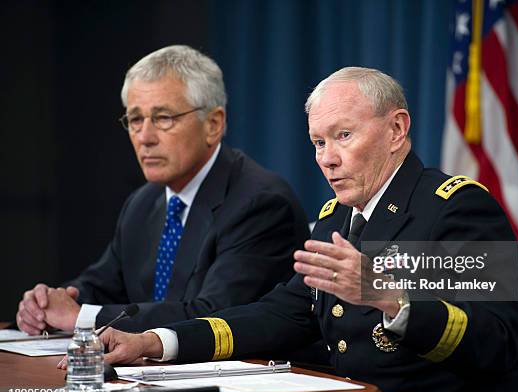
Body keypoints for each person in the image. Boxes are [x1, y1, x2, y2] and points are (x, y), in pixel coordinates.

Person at [78, 67, 518, 392]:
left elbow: (495, 341)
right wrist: (157, 342)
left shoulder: (456, 206)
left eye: (343, 136)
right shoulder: (336, 217)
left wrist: (396, 301)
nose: (327, 159)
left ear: (396, 129)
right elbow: (281, 314)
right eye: (317, 143)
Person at [16, 45, 310, 333]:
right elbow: (100, 286)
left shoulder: (260, 203)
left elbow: (214, 316)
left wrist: (82, 317)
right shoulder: (143, 202)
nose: (145, 137)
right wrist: (48, 305)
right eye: (135, 119)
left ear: (213, 124)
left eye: (163, 118)